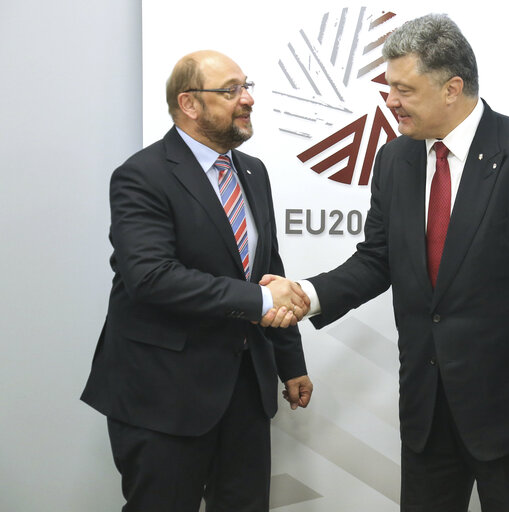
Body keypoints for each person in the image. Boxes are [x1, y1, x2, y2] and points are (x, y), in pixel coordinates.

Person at [264, 14, 509, 511]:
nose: (391, 101)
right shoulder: (395, 159)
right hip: (426, 402)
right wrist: (306, 296)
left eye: (403, 88)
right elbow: (378, 259)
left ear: (452, 88)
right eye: (388, 87)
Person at [81, 50, 313, 512]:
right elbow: (151, 277)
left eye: (247, 87)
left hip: (245, 393)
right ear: (189, 103)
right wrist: (260, 297)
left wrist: (290, 361)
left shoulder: (252, 172)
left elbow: (269, 270)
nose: (247, 99)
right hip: (163, 396)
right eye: (231, 90)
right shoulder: (142, 176)